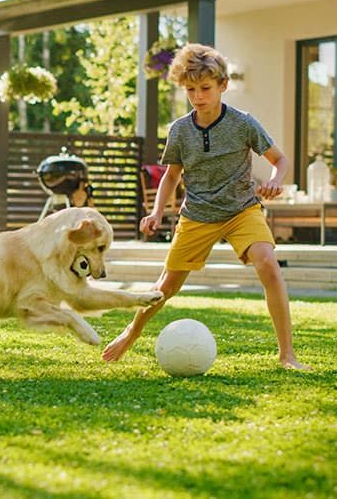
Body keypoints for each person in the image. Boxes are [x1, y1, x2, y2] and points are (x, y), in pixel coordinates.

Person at [102, 43, 310, 370]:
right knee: (165, 287)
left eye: (205, 88)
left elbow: (279, 160)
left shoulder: (243, 123)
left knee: (268, 263)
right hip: (197, 215)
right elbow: (171, 177)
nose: (198, 96)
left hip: (242, 210)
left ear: (223, 85)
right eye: (191, 89)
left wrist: (274, 179)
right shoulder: (180, 130)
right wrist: (157, 212)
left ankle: (287, 355)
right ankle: (131, 333)